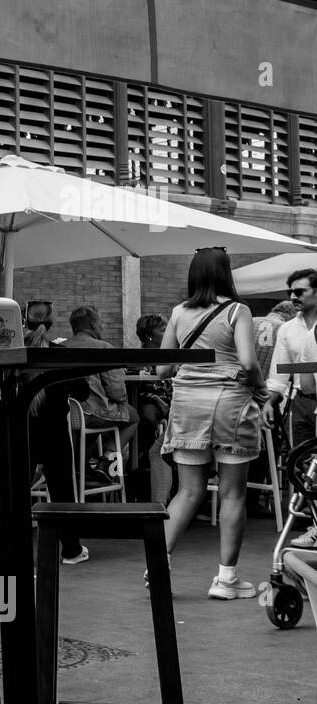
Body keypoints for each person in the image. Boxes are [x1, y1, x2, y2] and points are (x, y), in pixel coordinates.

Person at [158, 248, 266, 599]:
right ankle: (226, 579)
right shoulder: (238, 310)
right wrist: (261, 390)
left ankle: (158, 564)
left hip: (187, 403)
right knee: (233, 493)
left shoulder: (178, 312)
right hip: (229, 402)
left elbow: (162, 367)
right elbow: (248, 361)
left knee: (187, 491)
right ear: (225, 273)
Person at [22, 302, 87, 563]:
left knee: (16, 492)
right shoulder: (59, 353)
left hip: (21, 430)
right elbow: (82, 392)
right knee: (62, 490)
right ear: (50, 324)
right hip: (54, 433)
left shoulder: (12, 352)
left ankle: (16, 550)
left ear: (23, 322)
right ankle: (71, 550)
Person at [64, 306, 139, 477]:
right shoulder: (103, 348)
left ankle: (81, 469)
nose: (103, 327)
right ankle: (105, 462)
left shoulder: (60, 347)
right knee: (133, 417)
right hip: (93, 414)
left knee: (84, 434)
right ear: (92, 324)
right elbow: (116, 392)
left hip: (65, 415)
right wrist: (122, 400)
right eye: (100, 322)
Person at [265, 269, 317, 454]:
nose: (293, 296)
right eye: (290, 292)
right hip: (301, 402)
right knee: (300, 463)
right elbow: (278, 375)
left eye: (300, 291)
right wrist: (268, 402)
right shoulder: (287, 329)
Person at [134, 313, 174, 506]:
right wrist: (158, 400)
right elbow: (142, 388)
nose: (166, 333)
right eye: (162, 330)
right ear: (149, 335)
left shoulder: (166, 355)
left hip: (166, 407)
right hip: (149, 406)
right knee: (147, 416)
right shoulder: (143, 358)